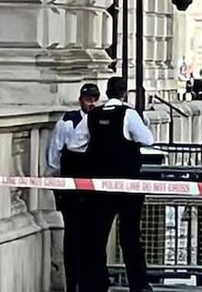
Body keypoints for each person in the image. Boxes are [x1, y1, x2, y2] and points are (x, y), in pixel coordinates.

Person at [80, 77, 154, 292]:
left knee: (97, 236)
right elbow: (148, 140)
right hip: (127, 185)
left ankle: (97, 283)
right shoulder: (129, 114)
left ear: (107, 92)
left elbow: (75, 143)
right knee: (130, 237)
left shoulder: (92, 116)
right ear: (124, 93)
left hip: (100, 187)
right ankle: (138, 284)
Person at [47, 83, 100, 292]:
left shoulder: (101, 120)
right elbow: (54, 152)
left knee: (90, 235)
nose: (91, 103)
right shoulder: (68, 120)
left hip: (91, 181)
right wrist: (56, 181)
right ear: (81, 99)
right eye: (88, 99)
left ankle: (87, 282)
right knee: (72, 233)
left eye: (95, 99)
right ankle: (72, 283)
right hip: (71, 179)